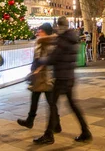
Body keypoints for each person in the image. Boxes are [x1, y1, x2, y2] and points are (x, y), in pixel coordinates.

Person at [38, 16, 91, 144]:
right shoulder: (72, 39)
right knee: (72, 104)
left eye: (58, 26)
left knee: (52, 105)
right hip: (69, 76)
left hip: (61, 78)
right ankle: (85, 131)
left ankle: (49, 134)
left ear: (61, 27)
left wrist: (41, 61)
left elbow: (53, 58)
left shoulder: (63, 40)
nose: (57, 29)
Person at [17, 23, 61, 142]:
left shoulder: (46, 42)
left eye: (40, 30)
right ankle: (32, 121)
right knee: (36, 98)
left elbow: (45, 59)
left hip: (45, 77)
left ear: (45, 32)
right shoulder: (45, 41)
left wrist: (36, 69)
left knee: (51, 103)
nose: (38, 32)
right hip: (42, 77)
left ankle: (50, 132)